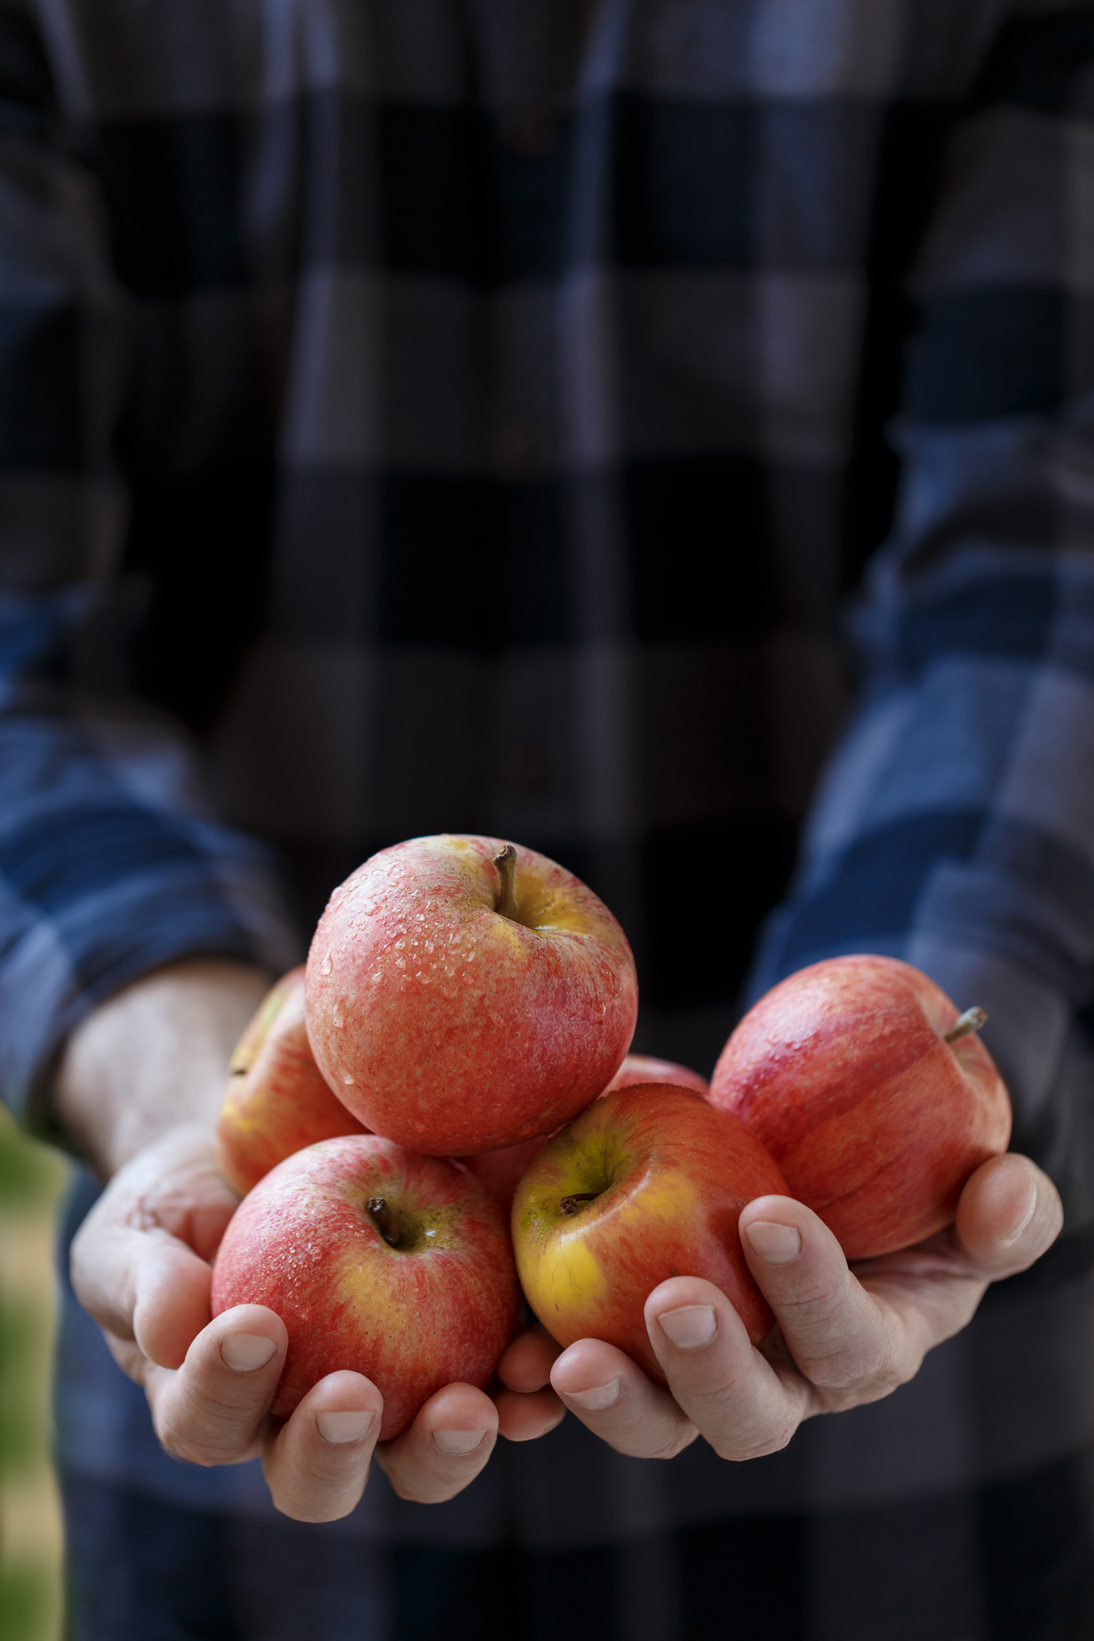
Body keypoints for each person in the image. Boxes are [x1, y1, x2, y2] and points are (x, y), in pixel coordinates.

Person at [1, 0, 1092, 1634]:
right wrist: (186, 1082)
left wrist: (881, 1126)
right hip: (264, 1392)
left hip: (891, 1466)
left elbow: (1045, 553)